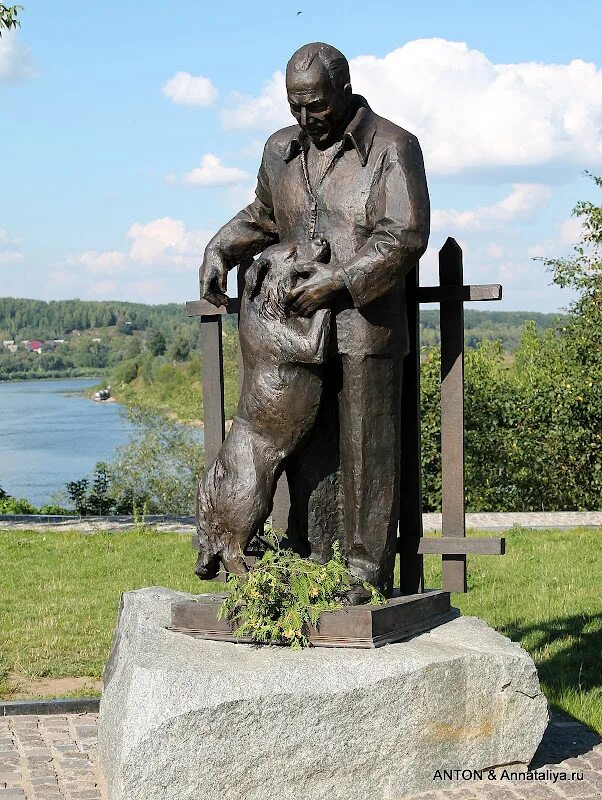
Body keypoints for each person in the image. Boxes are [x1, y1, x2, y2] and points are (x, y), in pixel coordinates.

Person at [199, 42, 430, 600]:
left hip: (362, 328)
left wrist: (343, 280)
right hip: (298, 337)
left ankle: (363, 575)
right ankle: (315, 561)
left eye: (316, 106)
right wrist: (220, 249)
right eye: (295, 106)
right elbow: (263, 214)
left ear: (345, 92)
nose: (305, 119)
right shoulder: (280, 148)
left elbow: (404, 234)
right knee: (311, 457)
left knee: (366, 453)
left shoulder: (393, 146)